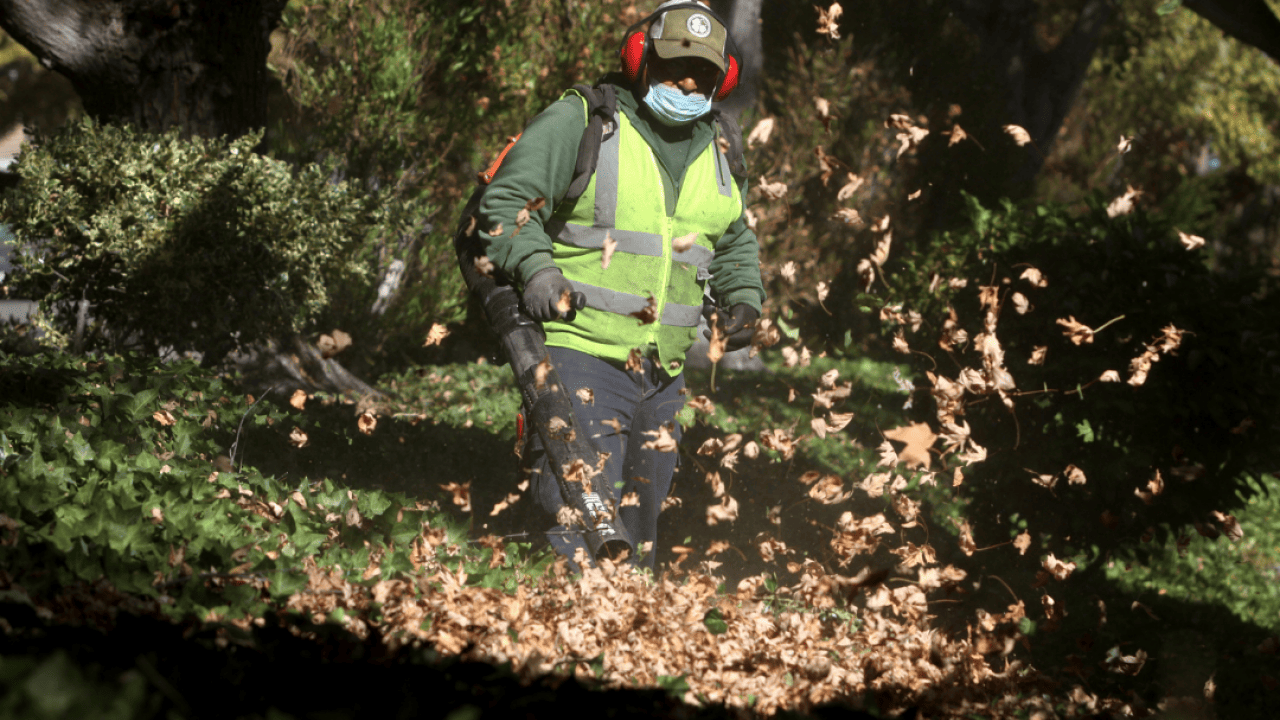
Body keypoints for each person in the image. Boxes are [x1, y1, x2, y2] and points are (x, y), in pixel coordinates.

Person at [476, 1, 765, 571]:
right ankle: (557, 637)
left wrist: (743, 299)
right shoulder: (585, 121)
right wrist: (537, 270)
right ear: (640, 59)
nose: (688, 82)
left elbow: (733, 240)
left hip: (664, 374)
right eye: (675, 66)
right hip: (579, 352)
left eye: (703, 73)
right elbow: (507, 203)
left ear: (722, 79)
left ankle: (624, 643)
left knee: (638, 528)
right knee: (579, 518)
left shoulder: (723, 147)